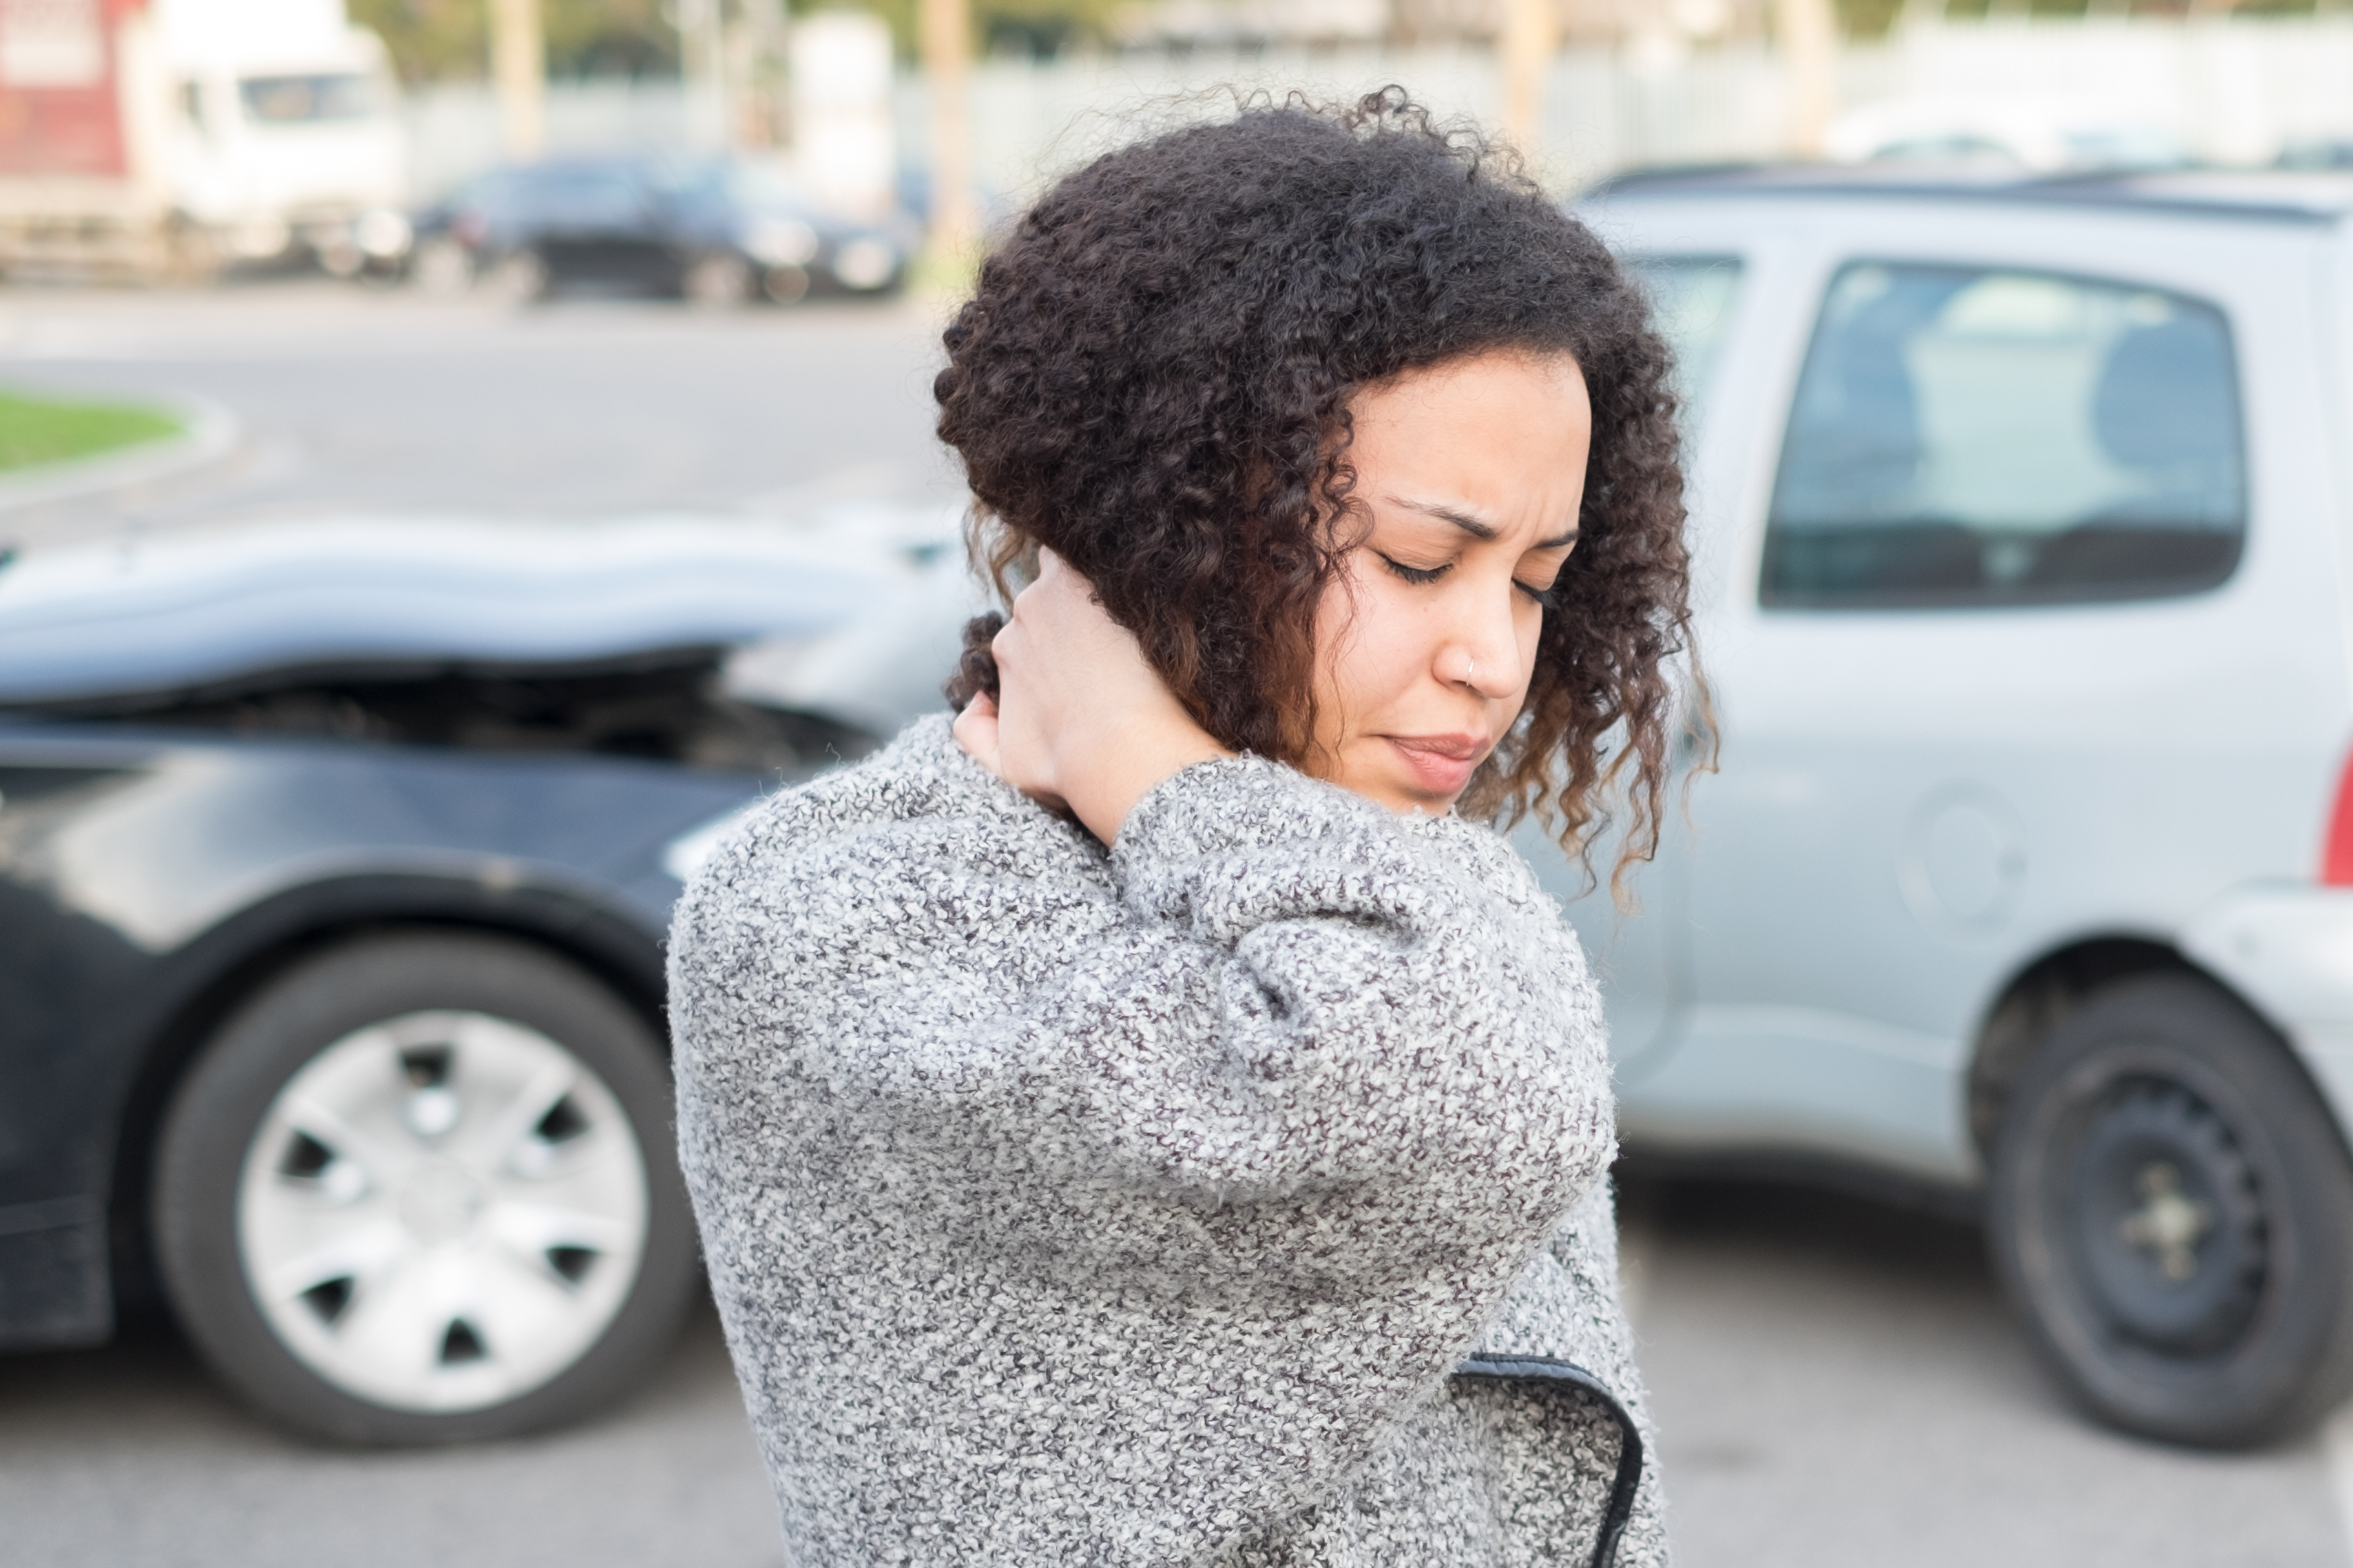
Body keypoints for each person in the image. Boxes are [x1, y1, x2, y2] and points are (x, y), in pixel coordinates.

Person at [669, 88, 1700, 1567]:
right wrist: (1142, 760)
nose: (1494, 652)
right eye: (1420, 560)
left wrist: (1151, 771)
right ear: (1173, 516)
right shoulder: (837, 913)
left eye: (1537, 580)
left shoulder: (1321, 865)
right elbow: (1463, 1081)